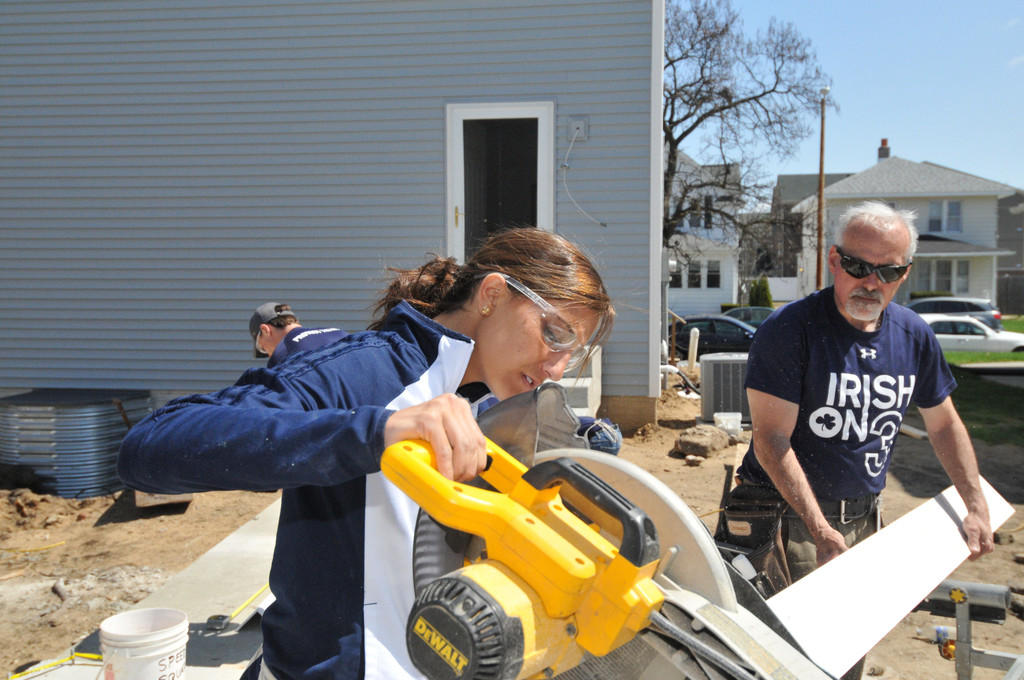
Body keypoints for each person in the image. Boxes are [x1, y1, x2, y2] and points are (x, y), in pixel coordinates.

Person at [118, 227, 614, 680]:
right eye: (555, 333)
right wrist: (376, 432)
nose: (560, 366)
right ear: (491, 295)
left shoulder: (493, 399)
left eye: (576, 351)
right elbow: (152, 447)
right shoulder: (363, 373)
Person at [735, 200, 994, 680]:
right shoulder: (790, 330)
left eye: (887, 271)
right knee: (783, 658)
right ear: (834, 260)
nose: (870, 283)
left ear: (905, 273)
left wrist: (974, 503)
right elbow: (771, 441)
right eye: (857, 266)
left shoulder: (913, 335)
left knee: (846, 652)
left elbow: (944, 425)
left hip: (862, 517)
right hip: (784, 519)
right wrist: (818, 528)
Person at [249, 301, 348, 368]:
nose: (269, 355)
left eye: (262, 348)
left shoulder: (284, 352)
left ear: (265, 330)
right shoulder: (339, 333)